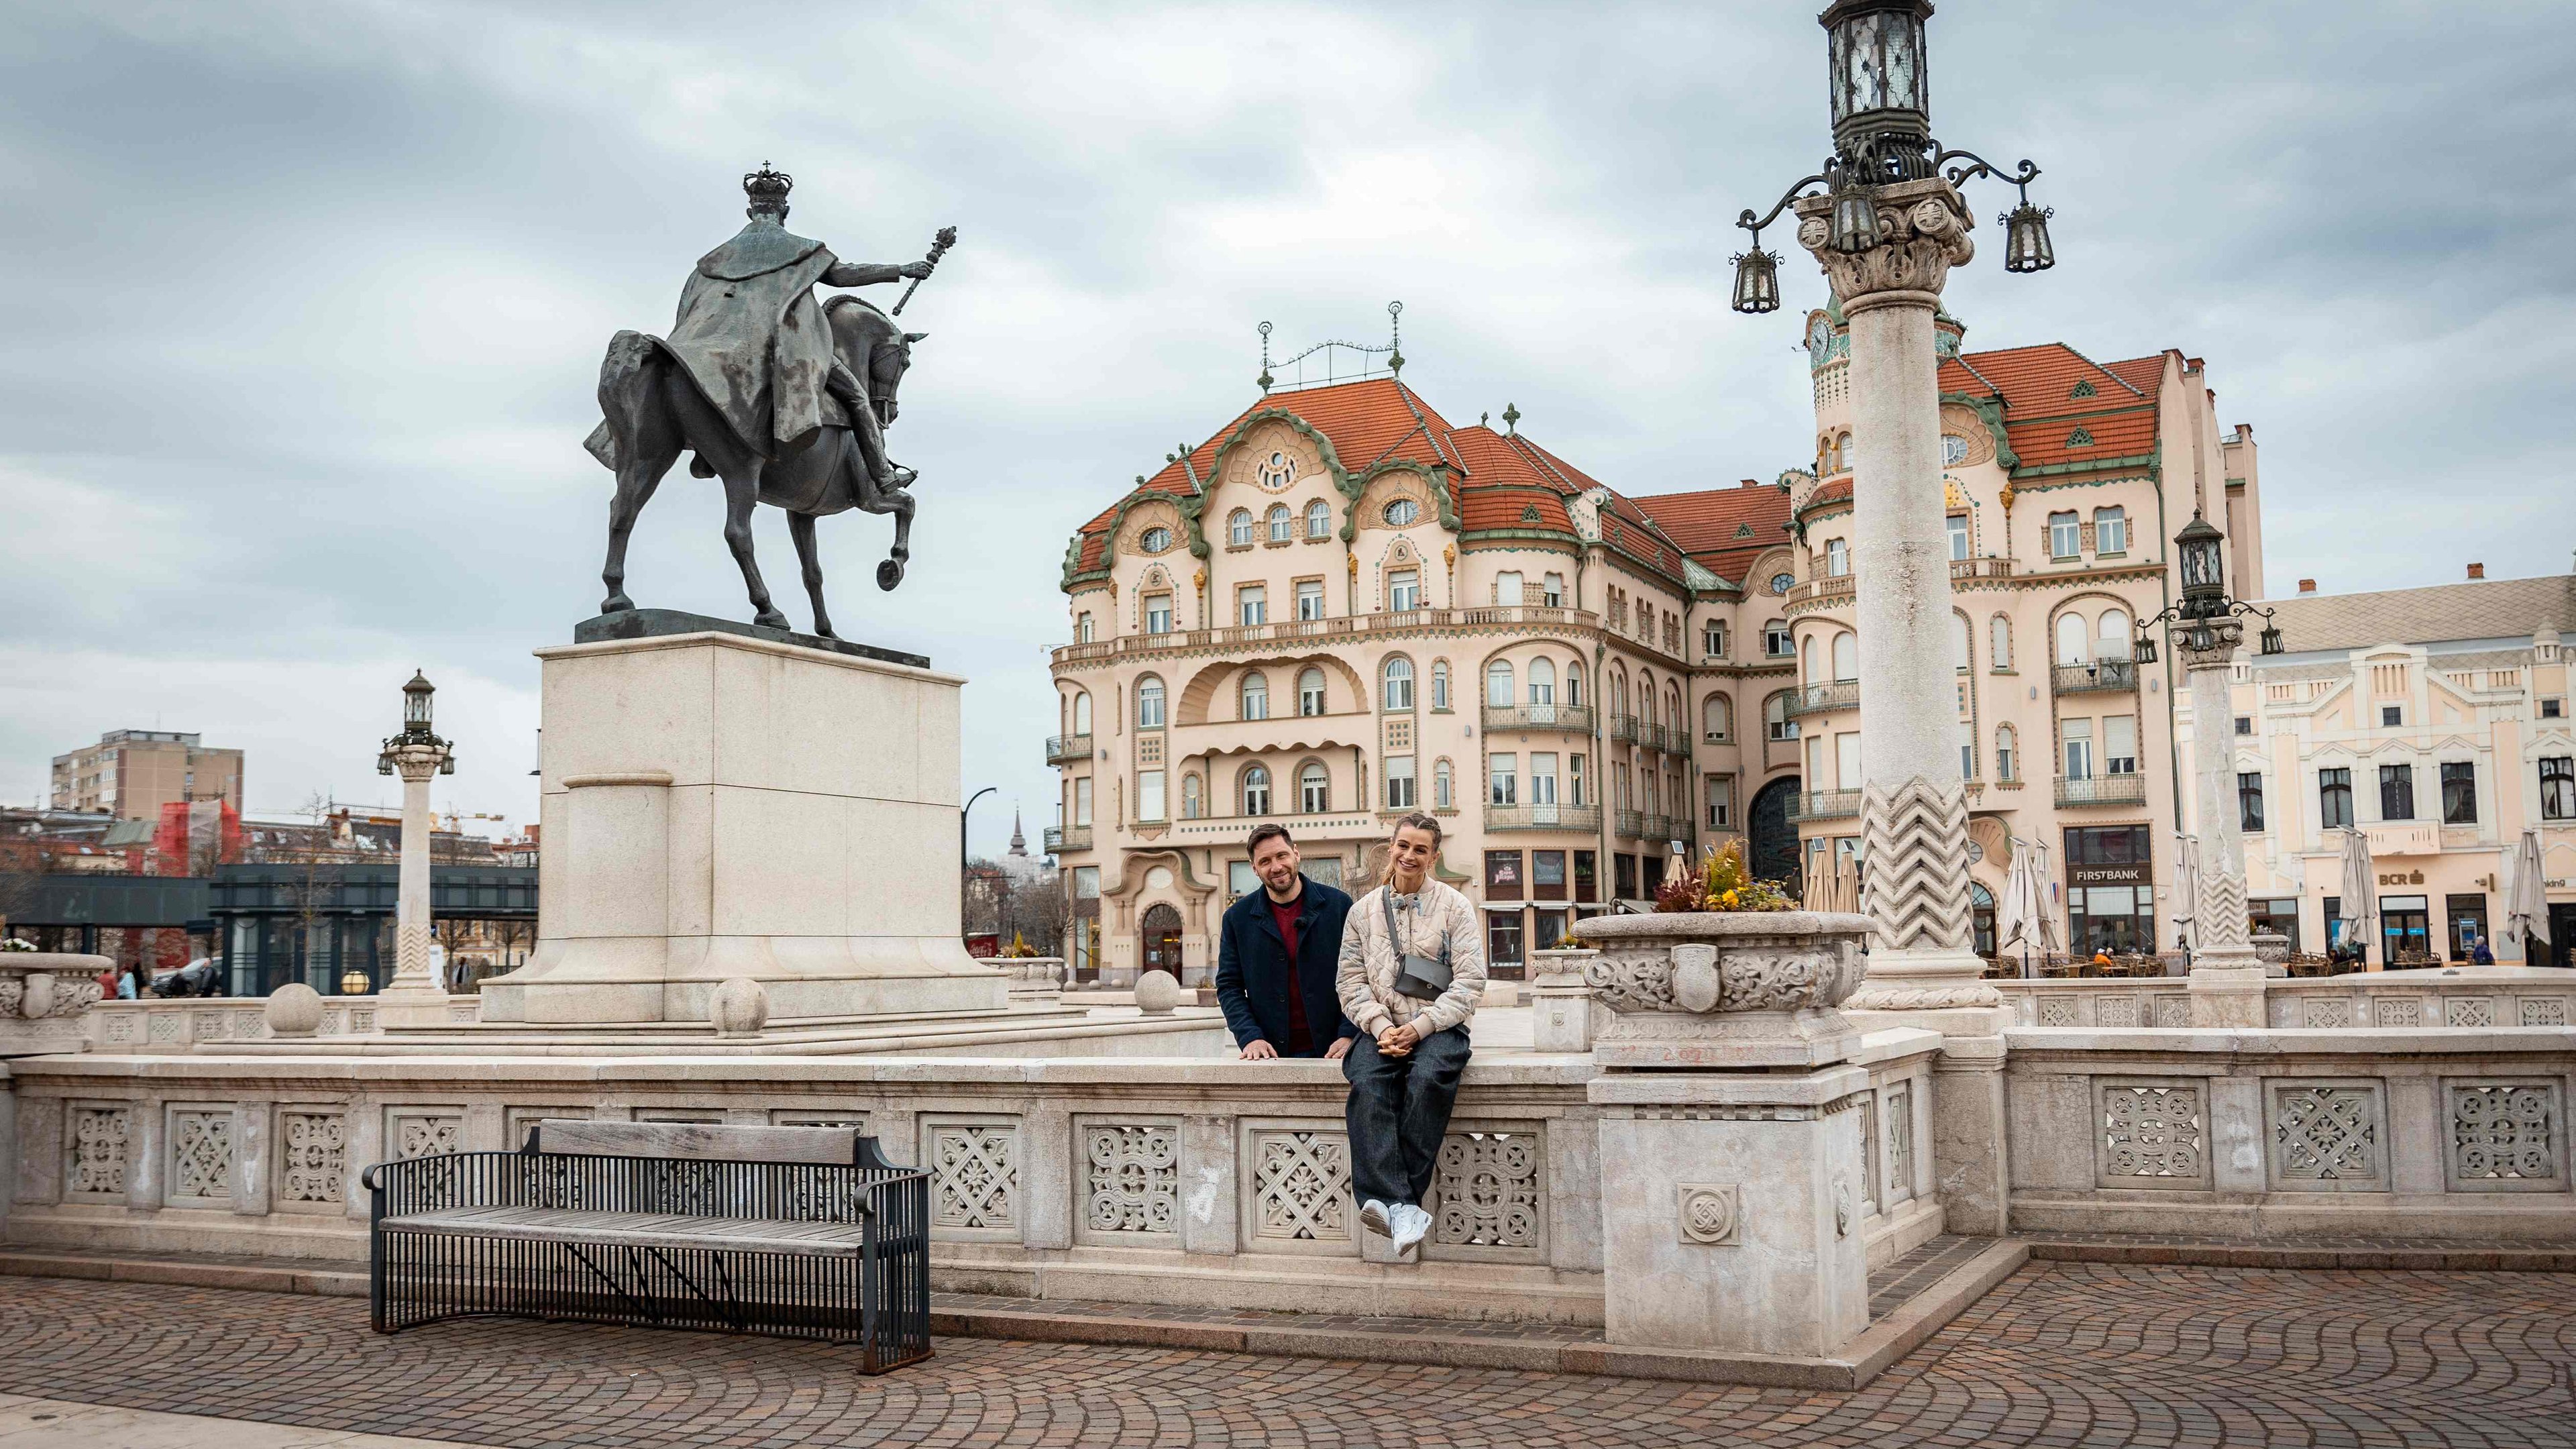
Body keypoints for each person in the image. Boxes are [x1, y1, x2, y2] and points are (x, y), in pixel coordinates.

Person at [1337, 812, 1486, 1260]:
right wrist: (1382, 1027)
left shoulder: (1456, 906)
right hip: (1381, 1028)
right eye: (1404, 845)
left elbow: (1470, 982)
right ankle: (1403, 1208)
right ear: (1392, 846)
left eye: (1420, 849)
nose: (1409, 855)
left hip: (1439, 1026)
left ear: (1433, 856)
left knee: (1428, 1079)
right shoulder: (1361, 911)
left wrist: (1420, 1027)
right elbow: (1349, 982)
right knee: (1366, 1081)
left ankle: (1392, 1201)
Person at [1214, 824, 1356, 1061]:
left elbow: (1360, 977)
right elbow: (1229, 986)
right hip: (1270, 1052)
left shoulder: (1339, 905)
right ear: (1254, 868)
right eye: (1265, 861)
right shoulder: (1236, 918)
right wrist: (1250, 1037)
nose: (1276, 867)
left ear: (1296, 853)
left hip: (1337, 1048)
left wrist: (1349, 1033)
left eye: (1282, 855)